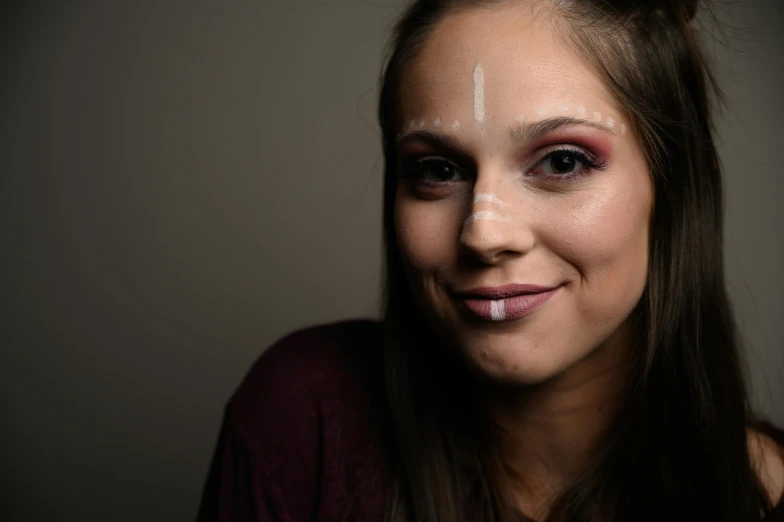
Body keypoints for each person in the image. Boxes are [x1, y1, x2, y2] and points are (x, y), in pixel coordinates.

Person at [196, 0, 784, 520]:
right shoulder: (302, 420)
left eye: (561, 162)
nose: (483, 233)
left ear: (681, 189)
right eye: (438, 170)